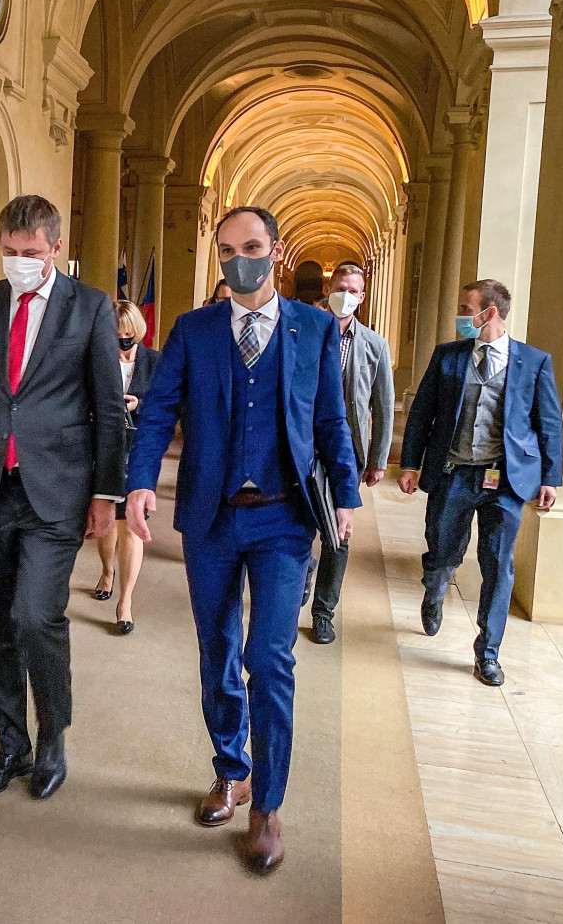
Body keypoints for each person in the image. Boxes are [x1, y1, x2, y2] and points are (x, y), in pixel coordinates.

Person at [125, 206, 361, 875]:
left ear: (275, 251)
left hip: (284, 518)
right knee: (218, 649)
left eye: (251, 247)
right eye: (227, 250)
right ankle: (232, 769)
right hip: (212, 517)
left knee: (270, 657)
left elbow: (330, 418)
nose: (239, 260)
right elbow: (159, 411)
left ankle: (268, 807)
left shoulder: (315, 328)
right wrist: (139, 482)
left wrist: (346, 493)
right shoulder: (194, 330)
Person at [0, 195, 125, 799]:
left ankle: (51, 737)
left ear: (55, 248)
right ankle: (10, 746)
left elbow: (108, 409)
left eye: (31, 252)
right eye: (9, 251)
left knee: (36, 615)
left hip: (56, 490)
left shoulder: (89, 308)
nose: (19, 262)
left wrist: (106, 492)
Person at [399, 279, 563, 686]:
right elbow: (422, 413)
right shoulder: (448, 356)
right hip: (454, 473)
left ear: (489, 313)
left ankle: (488, 652)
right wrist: (410, 464)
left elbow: (549, 423)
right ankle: (435, 590)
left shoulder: (534, 361)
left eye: (465, 308)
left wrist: (550, 477)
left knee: (498, 565)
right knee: (442, 552)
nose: (460, 315)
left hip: (506, 480)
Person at [304, 262, 394, 645]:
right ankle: (301, 574)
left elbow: (383, 405)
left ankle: (323, 612)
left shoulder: (374, 344)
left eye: (353, 290)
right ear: (329, 290)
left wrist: (378, 459)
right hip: (304, 446)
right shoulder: (306, 333)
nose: (346, 295)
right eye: (340, 288)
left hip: (348, 453)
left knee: (338, 532)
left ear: (362, 296)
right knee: (297, 522)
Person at [94, 299, 161, 634]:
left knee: (131, 524)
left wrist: (139, 404)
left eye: (128, 334)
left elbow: (166, 407)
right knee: (107, 521)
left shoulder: (154, 362)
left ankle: (125, 602)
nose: (123, 340)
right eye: (116, 334)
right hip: (104, 449)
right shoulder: (98, 359)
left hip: (138, 452)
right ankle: (107, 571)